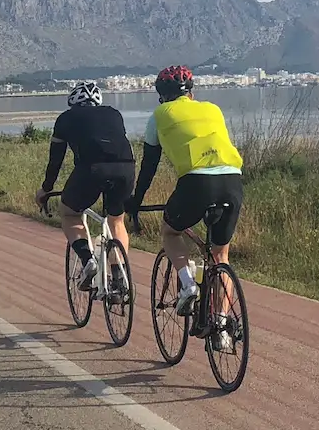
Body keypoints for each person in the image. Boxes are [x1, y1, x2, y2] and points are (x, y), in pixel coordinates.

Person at [125, 67, 244, 343]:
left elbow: (149, 167)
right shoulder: (213, 109)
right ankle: (222, 327)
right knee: (220, 256)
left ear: (161, 97)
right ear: (192, 92)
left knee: (171, 231)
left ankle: (188, 284)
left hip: (196, 183)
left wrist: (136, 202)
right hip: (233, 180)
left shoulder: (159, 116)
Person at [35, 81, 135, 292]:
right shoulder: (114, 113)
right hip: (125, 169)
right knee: (116, 220)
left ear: (73, 102)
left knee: (70, 214)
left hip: (91, 170)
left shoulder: (66, 118)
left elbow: (56, 160)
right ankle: (119, 278)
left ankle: (88, 260)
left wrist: (46, 189)